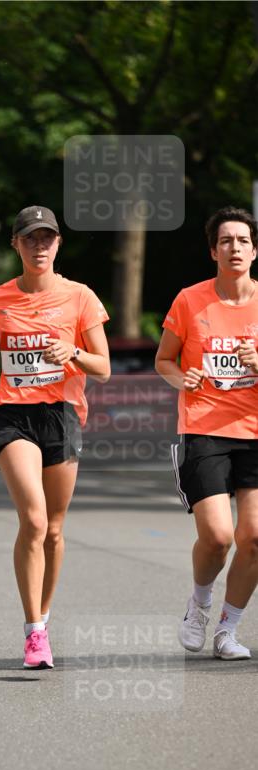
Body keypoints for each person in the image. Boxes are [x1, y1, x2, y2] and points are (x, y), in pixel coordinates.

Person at [0, 205, 110, 669]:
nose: (39, 246)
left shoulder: (80, 297)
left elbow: (103, 367)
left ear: (58, 245)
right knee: (32, 520)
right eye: (30, 238)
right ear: (16, 245)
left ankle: (44, 617)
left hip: (62, 414)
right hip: (12, 414)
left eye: (47, 238)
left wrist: (72, 351)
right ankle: (33, 632)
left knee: (53, 529)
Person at [155, 206, 258, 660]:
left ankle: (227, 631)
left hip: (255, 432)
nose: (233, 248)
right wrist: (183, 379)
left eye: (242, 240)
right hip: (204, 430)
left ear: (254, 250)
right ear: (213, 250)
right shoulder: (190, 300)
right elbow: (165, 360)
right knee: (218, 537)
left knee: (254, 538)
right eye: (225, 241)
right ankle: (199, 604)